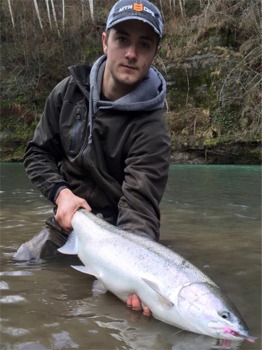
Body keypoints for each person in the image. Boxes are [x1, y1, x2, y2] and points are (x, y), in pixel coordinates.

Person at [15, 0, 170, 317]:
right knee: (21, 267)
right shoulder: (68, 92)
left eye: (144, 44)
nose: (131, 53)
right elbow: (37, 153)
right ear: (105, 41)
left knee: (122, 312)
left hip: (120, 233)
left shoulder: (153, 129)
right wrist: (61, 194)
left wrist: (137, 272)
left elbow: (140, 205)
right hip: (68, 220)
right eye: (122, 39)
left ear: (154, 54)